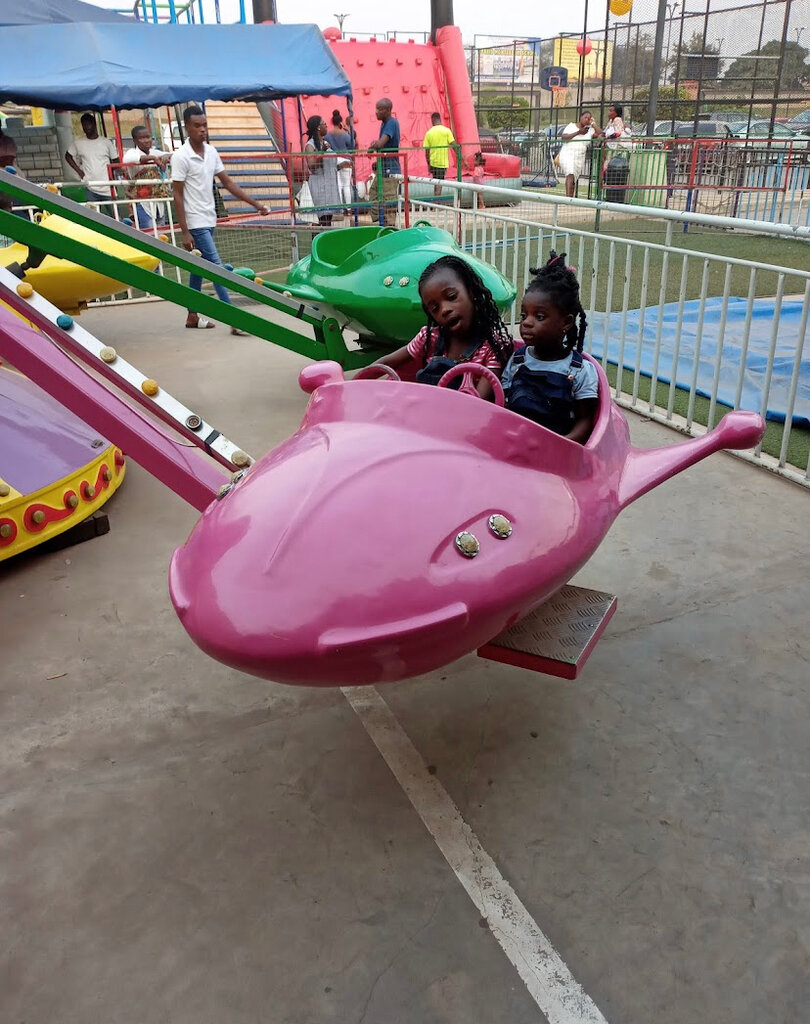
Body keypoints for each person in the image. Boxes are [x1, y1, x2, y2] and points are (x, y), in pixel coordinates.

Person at [171, 104, 270, 333]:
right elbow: (177, 194)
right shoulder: (181, 157)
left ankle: (192, 315)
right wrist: (184, 231)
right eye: (197, 126)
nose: (202, 130)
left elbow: (228, 183)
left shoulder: (211, 152)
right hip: (195, 222)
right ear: (187, 128)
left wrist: (256, 204)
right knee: (216, 267)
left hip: (209, 217)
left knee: (199, 269)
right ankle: (234, 319)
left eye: (205, 125)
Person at [377, 255, 513, 400]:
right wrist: (355, 386)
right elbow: (384, 364)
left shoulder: (493, 347)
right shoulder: (429, 338)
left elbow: (479, 404)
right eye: (435, 308)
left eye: (452, 297)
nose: (444, 310)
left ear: (470, 291)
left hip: (468, 418)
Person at [501, 252, 599, 443]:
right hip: (515, 447)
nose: (526, 323)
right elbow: (502, 408)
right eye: (523, 315)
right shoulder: (517, 360)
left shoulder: (579, 371)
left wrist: (560, 446)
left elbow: (585, 422)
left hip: (556, 454)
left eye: (539, 317)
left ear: (566, 322)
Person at [65, 112, 118, 214]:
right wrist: (79, 171)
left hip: (107, 187)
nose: (86, 127)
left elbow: (116, 161)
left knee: (115, 216)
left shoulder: (106, 142)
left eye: (88, 124)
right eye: (84, 124)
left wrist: (110, 173)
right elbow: (68, 156)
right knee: (93, 217)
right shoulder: (78, 143)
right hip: (90, 187)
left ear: (94, 124)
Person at [122, 126, 171, 231]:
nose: (146, 141)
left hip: (158, 200)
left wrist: (167, 155)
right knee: (148, 233)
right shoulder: (132, 153)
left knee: (162, 232)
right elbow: (128, 159)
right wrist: (152, 159)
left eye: (148, 137)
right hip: (142, 202)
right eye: (142, 138)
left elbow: (174, 155)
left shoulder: (155, 152)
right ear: (135, 140)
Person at [367, 98, 401, 226]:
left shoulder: (391, 123)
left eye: (379, 109)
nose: (376, 112)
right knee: (373, 192)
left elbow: (381, 143)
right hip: (384, 168)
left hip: (390, 170)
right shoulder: (384, 124)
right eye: (376, 109)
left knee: (389, 200)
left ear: (387, 110)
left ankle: (389, 226)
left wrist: (374, 146)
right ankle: (381, 220)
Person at [304, 114, 342, 227]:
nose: (327, 126)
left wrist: (341, 165)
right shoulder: (310, 145)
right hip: (320, 186)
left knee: (327, 219)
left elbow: (327, 164)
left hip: (329, 186)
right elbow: (312, 165)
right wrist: (322, 152)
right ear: (318, 127)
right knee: (322, 219)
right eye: (324, 124)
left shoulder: (325, 143)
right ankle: (317, 240)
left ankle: (323, 239)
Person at [557, 110, 602, 198]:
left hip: (579, 157)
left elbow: (601, 134)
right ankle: (568, 199)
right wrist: (578, 132)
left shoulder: (590, 131)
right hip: (568, 154)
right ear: (580, 117)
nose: (587, 120)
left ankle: (571, 198)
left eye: (589, 119)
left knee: (573, 177)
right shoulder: (571, 126)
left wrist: (593, 124)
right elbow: (564, 138)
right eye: (585, 117)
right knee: (570, 173)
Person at [326, 109, 355, 206]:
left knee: (337, 185)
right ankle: (349, 208)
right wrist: (347, 130)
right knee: (346, 185)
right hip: (346, 159)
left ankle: (340, 208)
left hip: (335, 160)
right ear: (340, 122)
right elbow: (352, 145)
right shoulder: (345, 134)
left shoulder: (328, 135)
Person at [422, 112, 455, 196]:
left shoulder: (429, 133)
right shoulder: (446, 131)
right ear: (440, 119)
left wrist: (428, 164)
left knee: (435, 182)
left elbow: (427, 151)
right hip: (442, 163)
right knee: (440, 183)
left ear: (432, 120)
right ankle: (437, 202)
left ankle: (435, 201)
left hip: (433, 162)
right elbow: (454, 145)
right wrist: (461, 157)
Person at [602, 102, 632, 174]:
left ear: (616, 113)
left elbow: (618, 133)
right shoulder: (610, 121)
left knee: (611, 166)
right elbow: (605, 132)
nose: (609, 113)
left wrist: (607, 138)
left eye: (611, 111)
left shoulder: (617, 120)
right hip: (610, 148)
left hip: (616, 149)